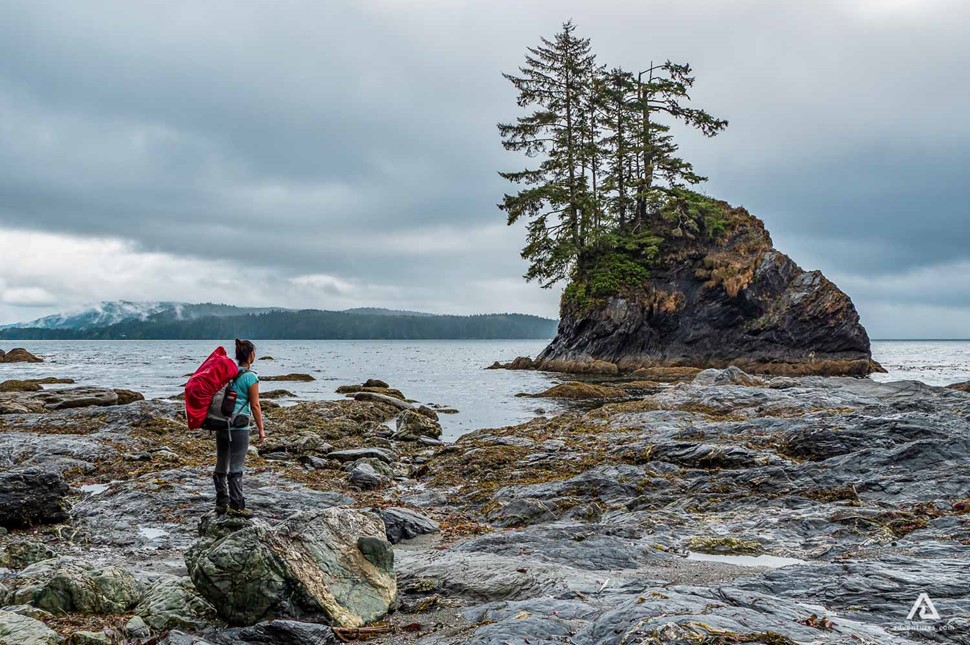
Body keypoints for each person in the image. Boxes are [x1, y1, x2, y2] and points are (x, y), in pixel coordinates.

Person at [213, 339, 265, 517]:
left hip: (221, 423)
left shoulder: (229, 374)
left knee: (221, 463)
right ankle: (237, 506)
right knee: (236, 465)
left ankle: (221, 503)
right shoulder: (251, 377)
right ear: (251, 355)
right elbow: (255, 405)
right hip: (239, 426)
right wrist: (261, 430)